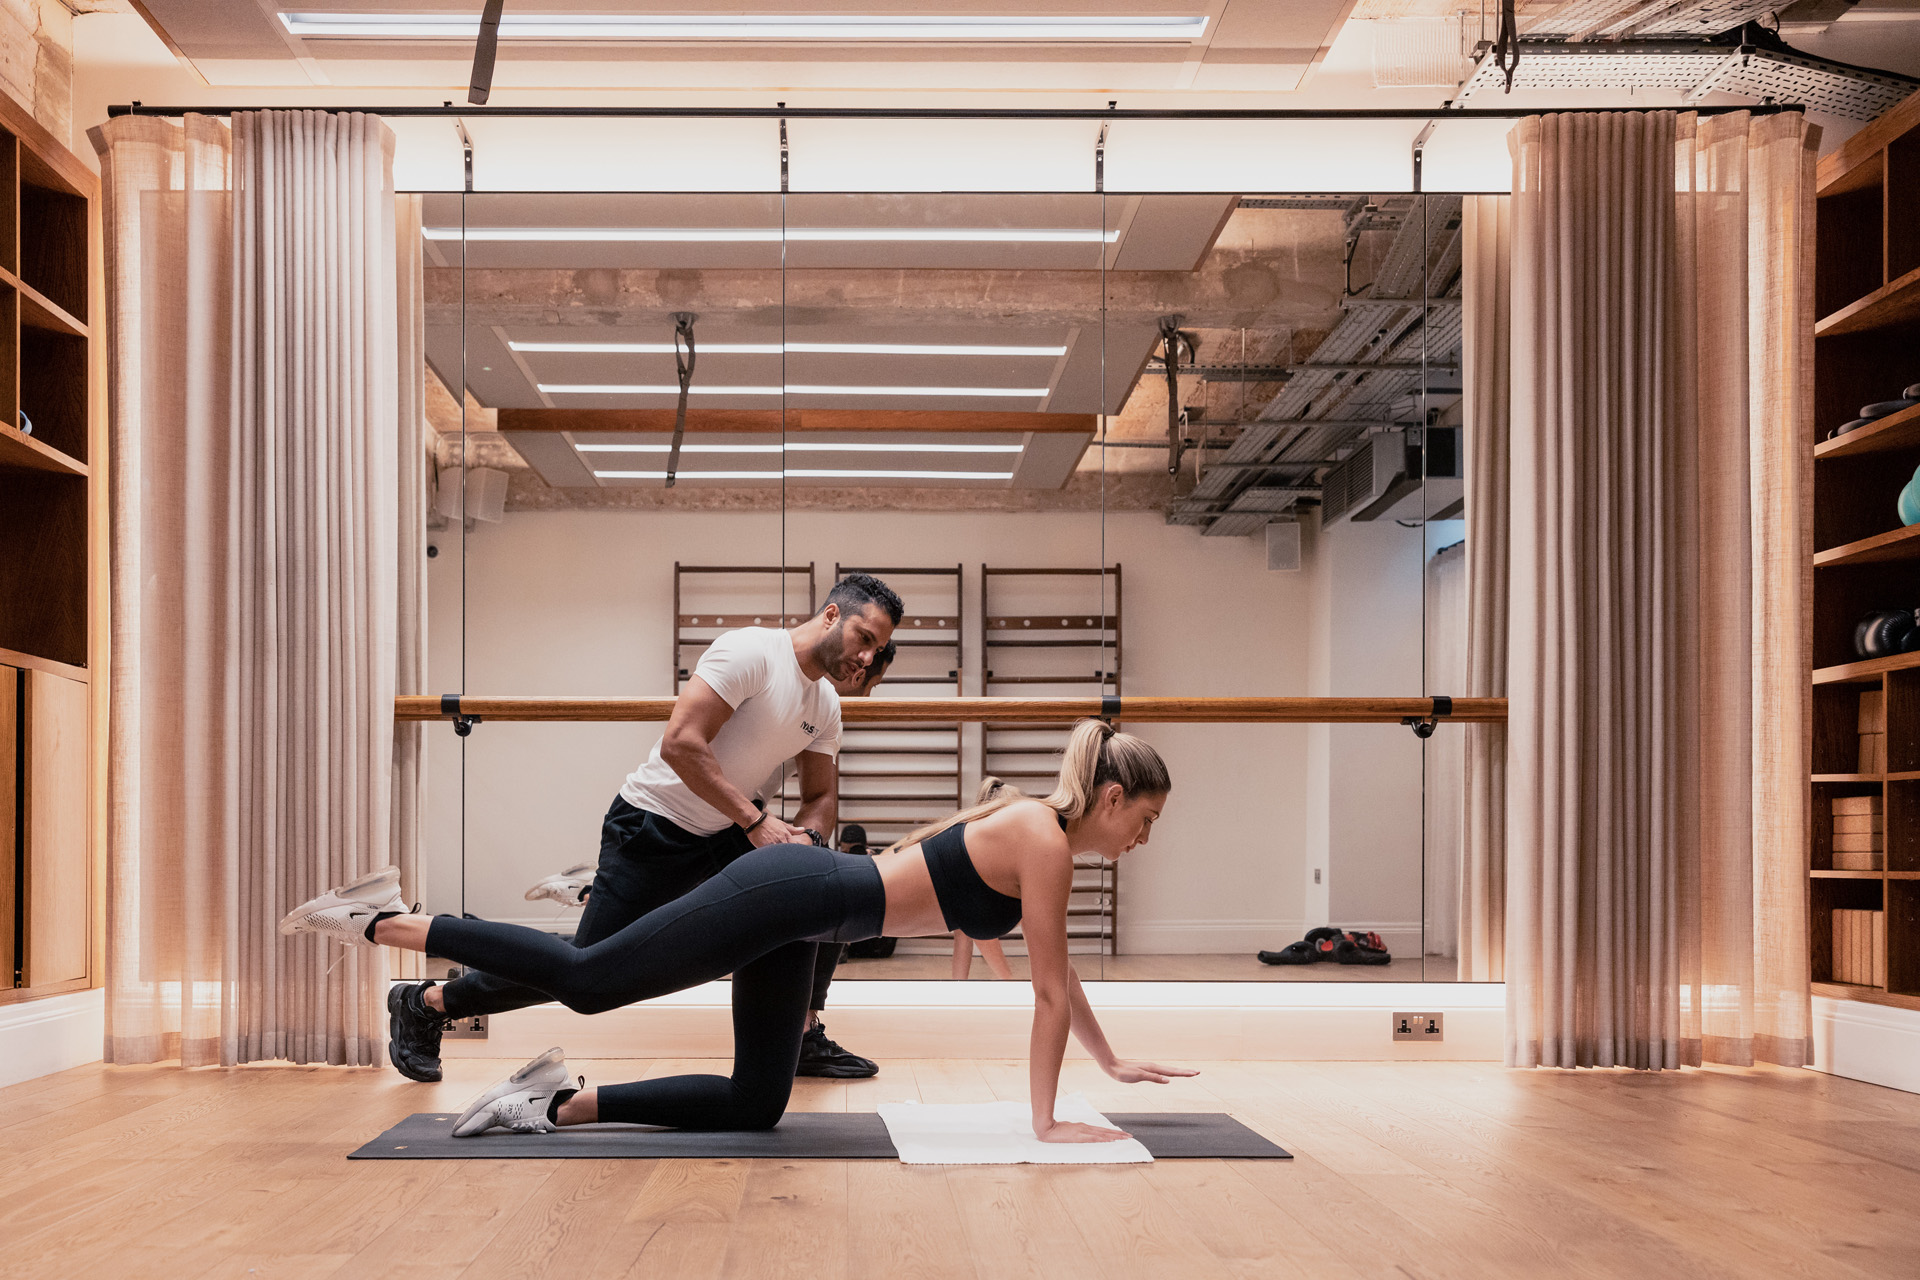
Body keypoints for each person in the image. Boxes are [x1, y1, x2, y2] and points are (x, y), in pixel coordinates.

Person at [283, 719, 1192, 1143]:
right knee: (593, 979)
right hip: (794, 891)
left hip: (808, 922)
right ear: (1110, 798)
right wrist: (1045, 1120)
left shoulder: (1038, 834)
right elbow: (1044, 992)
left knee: (757, 1103)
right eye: (1144, 820)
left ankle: (551, 1102)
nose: (1143, 840)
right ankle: (386, 916)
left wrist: (1109, 1065)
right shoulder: (1043, 835)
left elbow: (1055, 980)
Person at [382, 572, 902, 1083]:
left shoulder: (825, 705)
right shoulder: (751, 653)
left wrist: (806, 842)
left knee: (820, 891)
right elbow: (681, 743)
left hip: (731, 834)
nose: (866, 657)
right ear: (832, 614)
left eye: (877, 649)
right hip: (655, 826)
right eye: (864, 638)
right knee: (589, 971)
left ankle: (800, 1034)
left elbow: (821, 797)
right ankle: (428, 1001)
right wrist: (758, 822)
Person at [953, 777, 1019, 980]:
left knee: (964, 932)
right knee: (970, 929)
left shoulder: (987, 831)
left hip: (981, 896)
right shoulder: (982, 833)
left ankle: (958, 986)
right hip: (977, 899)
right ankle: (1006, 983)